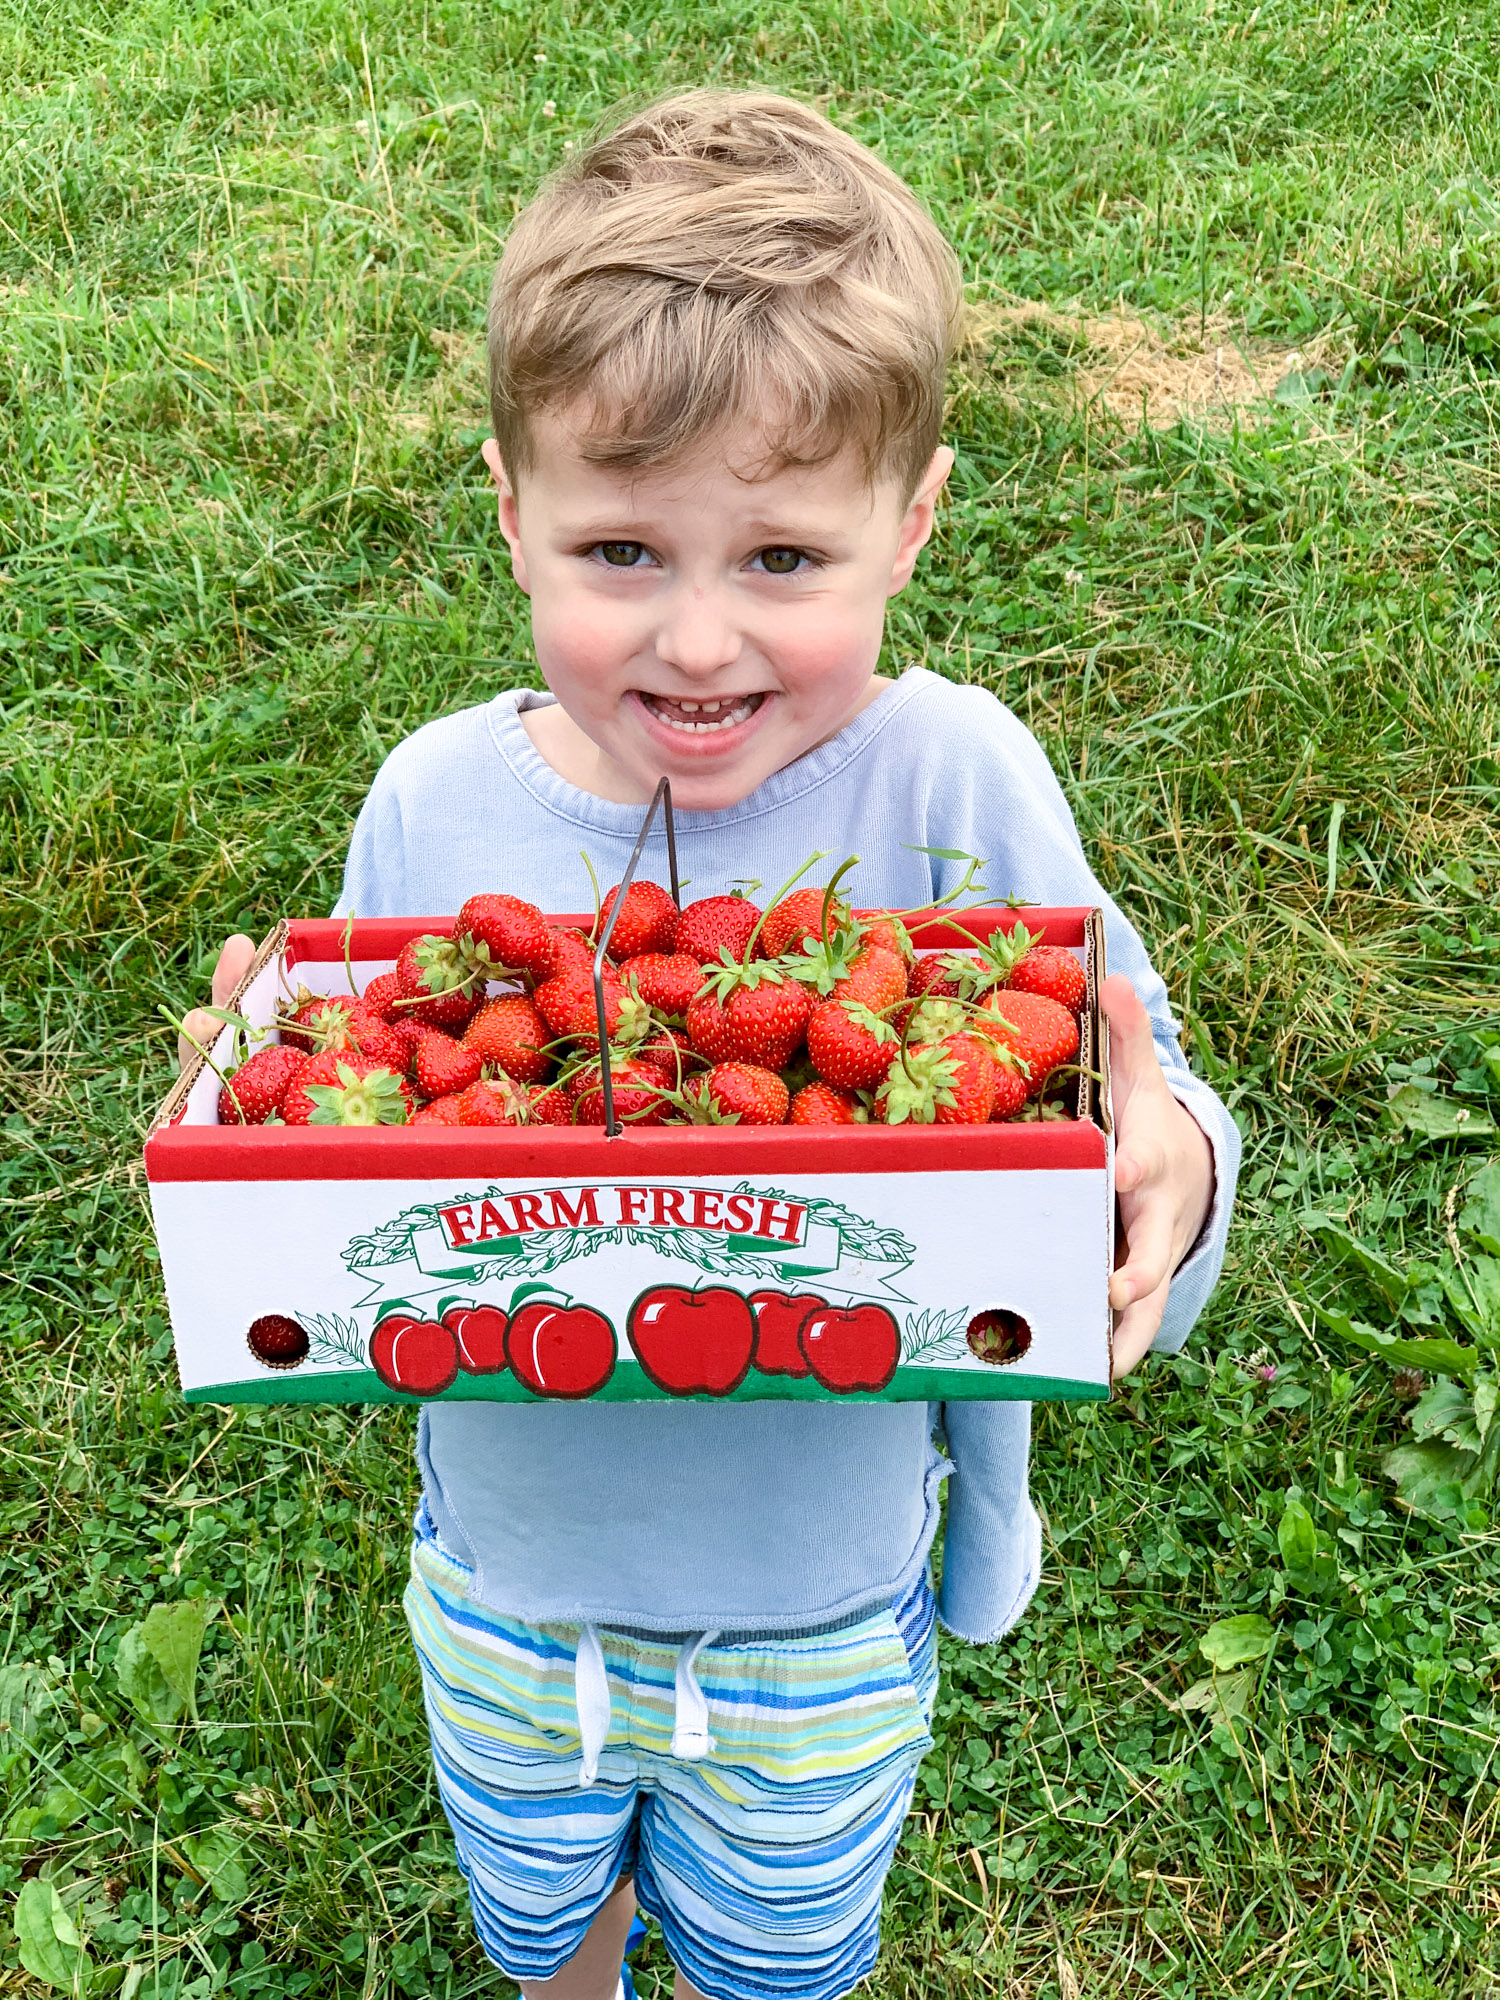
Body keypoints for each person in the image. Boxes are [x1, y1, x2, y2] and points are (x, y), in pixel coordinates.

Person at [183, 90, 1239, 2000]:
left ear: (911, 526)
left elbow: (1120, 1074)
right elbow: (367, 1108)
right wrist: (250, 1129)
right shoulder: (433, 805)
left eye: (780, 560)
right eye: (620, 550)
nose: (693, 642)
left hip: (817, 1601)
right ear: (510, 512)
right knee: (541, 1908)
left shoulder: (955, 780)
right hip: (507, 1578)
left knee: (784, 1941)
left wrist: (1169, 1167)